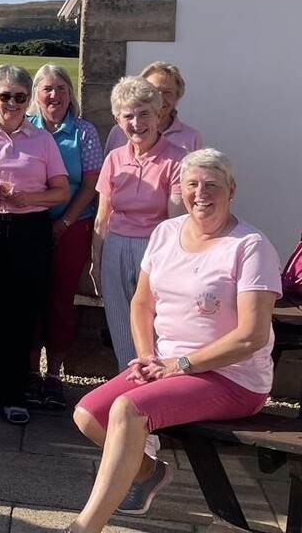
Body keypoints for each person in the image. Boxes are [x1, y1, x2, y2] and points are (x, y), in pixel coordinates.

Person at [63, 149, 279, 531]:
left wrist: (179, 364)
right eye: (192, 184)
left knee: (127, 410)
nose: (201, 193)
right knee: (87, 414)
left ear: (232, 189)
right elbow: (142, 303)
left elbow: (252, 336)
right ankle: (148, 473)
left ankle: (85, 527)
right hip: (168, 366)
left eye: (212, 185)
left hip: (233, 378)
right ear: (180, 189)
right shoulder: (165, 233)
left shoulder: (250, 246)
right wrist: (147, 355)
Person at [0, 65, 69, 425]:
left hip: (30, 230)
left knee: (23, 314)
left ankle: (13, 393)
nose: (12, 103)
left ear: (29, 100)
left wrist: (32, 197)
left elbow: (62, 189)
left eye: (20, 97)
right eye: (5, 95)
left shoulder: (42, 140)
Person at [93, 77, 186, 372]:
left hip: (155, 249)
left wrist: (174, 265)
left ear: (158, 113)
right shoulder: (113, 159)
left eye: (144, 113)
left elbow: (175, 220)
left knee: (155, 327)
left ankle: (157, 389)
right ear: (118, 119)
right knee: (121, 324)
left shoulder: (177, 159)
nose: (136, 123)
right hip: (115, 247)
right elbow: (102, 216)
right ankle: (127, 384)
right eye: (128, 115)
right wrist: (96, 260)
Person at [27, 63, 103, 409]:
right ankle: (29, 372)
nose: (54, 95)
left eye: (61, 88)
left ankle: (54, 374)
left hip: (72, 227)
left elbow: (90, 184)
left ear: (70, 94)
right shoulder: (27, 128)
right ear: (36, 95)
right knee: (29, 300)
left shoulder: (83, 132)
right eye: (47, 88)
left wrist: (64, 223)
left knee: (59, 301)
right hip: (28, 227)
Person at [104, 61, 202, 154]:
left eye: (167, 92)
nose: (160, 98)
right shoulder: (118, 132)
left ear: (177, 96)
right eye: (153, 90)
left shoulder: (191, 137)